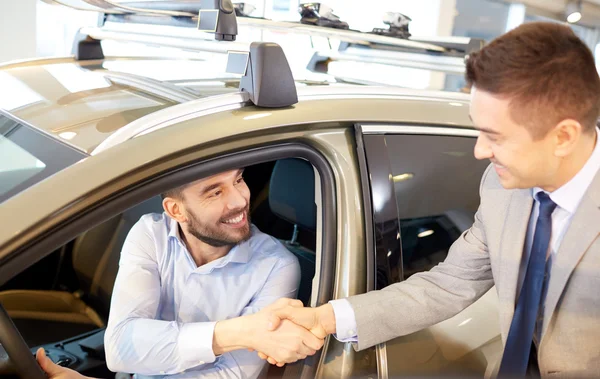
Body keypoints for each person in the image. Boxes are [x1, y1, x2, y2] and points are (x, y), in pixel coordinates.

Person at [263, 22, 600, 377]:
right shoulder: (501, 189)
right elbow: (450, 283)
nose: (480, 151)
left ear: (563, 137)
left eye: (495, 137)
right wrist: (324, 317)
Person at [102, 168, 322, 378]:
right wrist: (243, 332)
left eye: (238, 180)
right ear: (176, 211)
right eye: (216, 192)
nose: (240, 200)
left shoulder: (277, 266)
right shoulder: (151, 234)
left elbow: (233, 374)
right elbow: (121, 347)